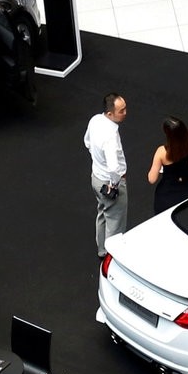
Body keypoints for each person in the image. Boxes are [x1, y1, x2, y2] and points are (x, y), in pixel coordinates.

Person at [84, 92, 128, 263]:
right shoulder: (110, 136)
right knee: (115, 222)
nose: (125, 112)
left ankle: (102, 248)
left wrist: (97, 160)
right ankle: (112, 258)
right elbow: (114, 168)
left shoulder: (95, 120)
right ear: (110, 114)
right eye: (121, 111)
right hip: (110, 183)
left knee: (103, 212)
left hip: (96, 178)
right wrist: (116, 184)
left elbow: (87, 142)